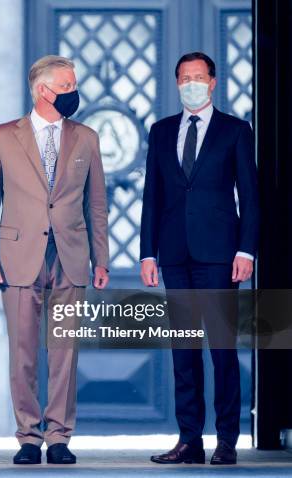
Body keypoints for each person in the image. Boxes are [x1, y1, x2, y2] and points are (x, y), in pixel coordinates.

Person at [0, 55, 109, 465]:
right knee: (23, 351)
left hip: (71, 256)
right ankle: (28, 436)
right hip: (17, 256)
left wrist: (100, 259)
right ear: (41, 90)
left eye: (74, 85)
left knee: (65, 351)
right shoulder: (1, 136)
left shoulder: (86, 137)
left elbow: (96, 204)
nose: (73, 92)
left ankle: (59, 437)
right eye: (66, 86)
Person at [140, 52, 258, 466]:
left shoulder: (235, 131)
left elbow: (250, 195)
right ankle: (189, 440)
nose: (190, 83)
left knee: (222, 350)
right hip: (174, 255)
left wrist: (246, 249)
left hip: (220, 256)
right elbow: (151, 196)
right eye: (183, 78)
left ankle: (227, 440)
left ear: (212, 83)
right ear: (177, 84)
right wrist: (146, 253)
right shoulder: (160, 131)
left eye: (198, 77)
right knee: (183, 351)